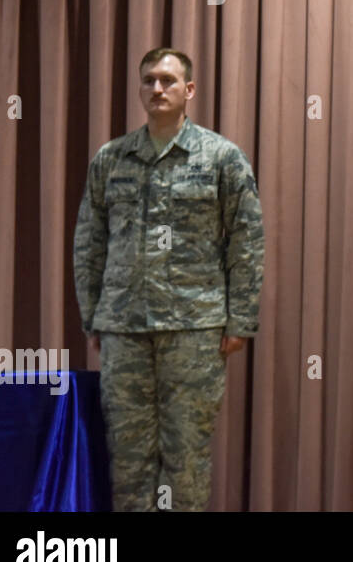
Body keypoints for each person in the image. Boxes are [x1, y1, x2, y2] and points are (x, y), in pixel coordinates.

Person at [73, 48, 264, 511]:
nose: (157, 89)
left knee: (186, 458)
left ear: (189, 91)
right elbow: (89, 240)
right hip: (124, 328)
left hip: (194, 329)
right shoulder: (111, 159)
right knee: (129, 459)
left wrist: (241, 319)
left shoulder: (223, 159)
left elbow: (247, 240)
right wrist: (92, 315)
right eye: (148, 81)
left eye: (168, 81)